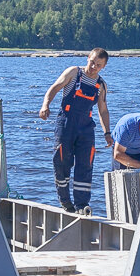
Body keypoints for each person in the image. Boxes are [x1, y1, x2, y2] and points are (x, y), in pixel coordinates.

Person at [38, 48, 112, 214]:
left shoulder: (101, 85)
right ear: (88, 58)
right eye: (92, 62)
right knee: (62, 161)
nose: (93, 67)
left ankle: (81, 205)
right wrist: (45, 105)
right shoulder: (73, 73)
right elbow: (54, 88)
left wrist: (107, 132)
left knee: (86, 165)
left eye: (98, 65)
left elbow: (103, 110)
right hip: (66, 123)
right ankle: (65, 200)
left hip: (86, 128)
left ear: (103, 67)